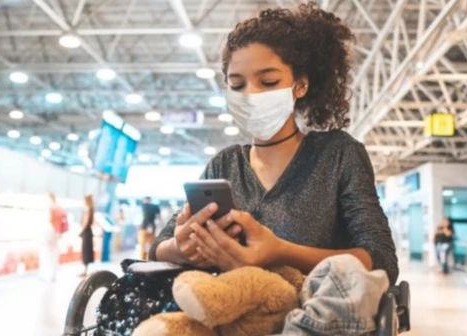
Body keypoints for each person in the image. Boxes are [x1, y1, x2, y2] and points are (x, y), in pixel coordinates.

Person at [150, 3, 399, 284]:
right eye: (237, 84)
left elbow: (380, 259)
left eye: (268, 82)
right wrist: (180, 248)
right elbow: (158, 246)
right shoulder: (225, 164)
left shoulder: (338, 154)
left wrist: (280, 252)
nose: (251, 94)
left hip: (315, 318)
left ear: (301, 85)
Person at [41, 193, 67, 282]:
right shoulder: (59, 208)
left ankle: (47, 274)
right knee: (54, 253)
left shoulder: (51, 208)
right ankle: (52, 274)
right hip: (56, 233)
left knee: (47, 253)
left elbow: (50, 220)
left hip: (50, 233)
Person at [80, 195, 95, 277]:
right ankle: (85, 270)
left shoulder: (89, 210)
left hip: (87, 233)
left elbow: (86, 223)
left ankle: (85, 271)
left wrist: (81, 232)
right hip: (87, 232)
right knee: (86, 251)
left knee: (86, 252)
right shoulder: (90, 210)